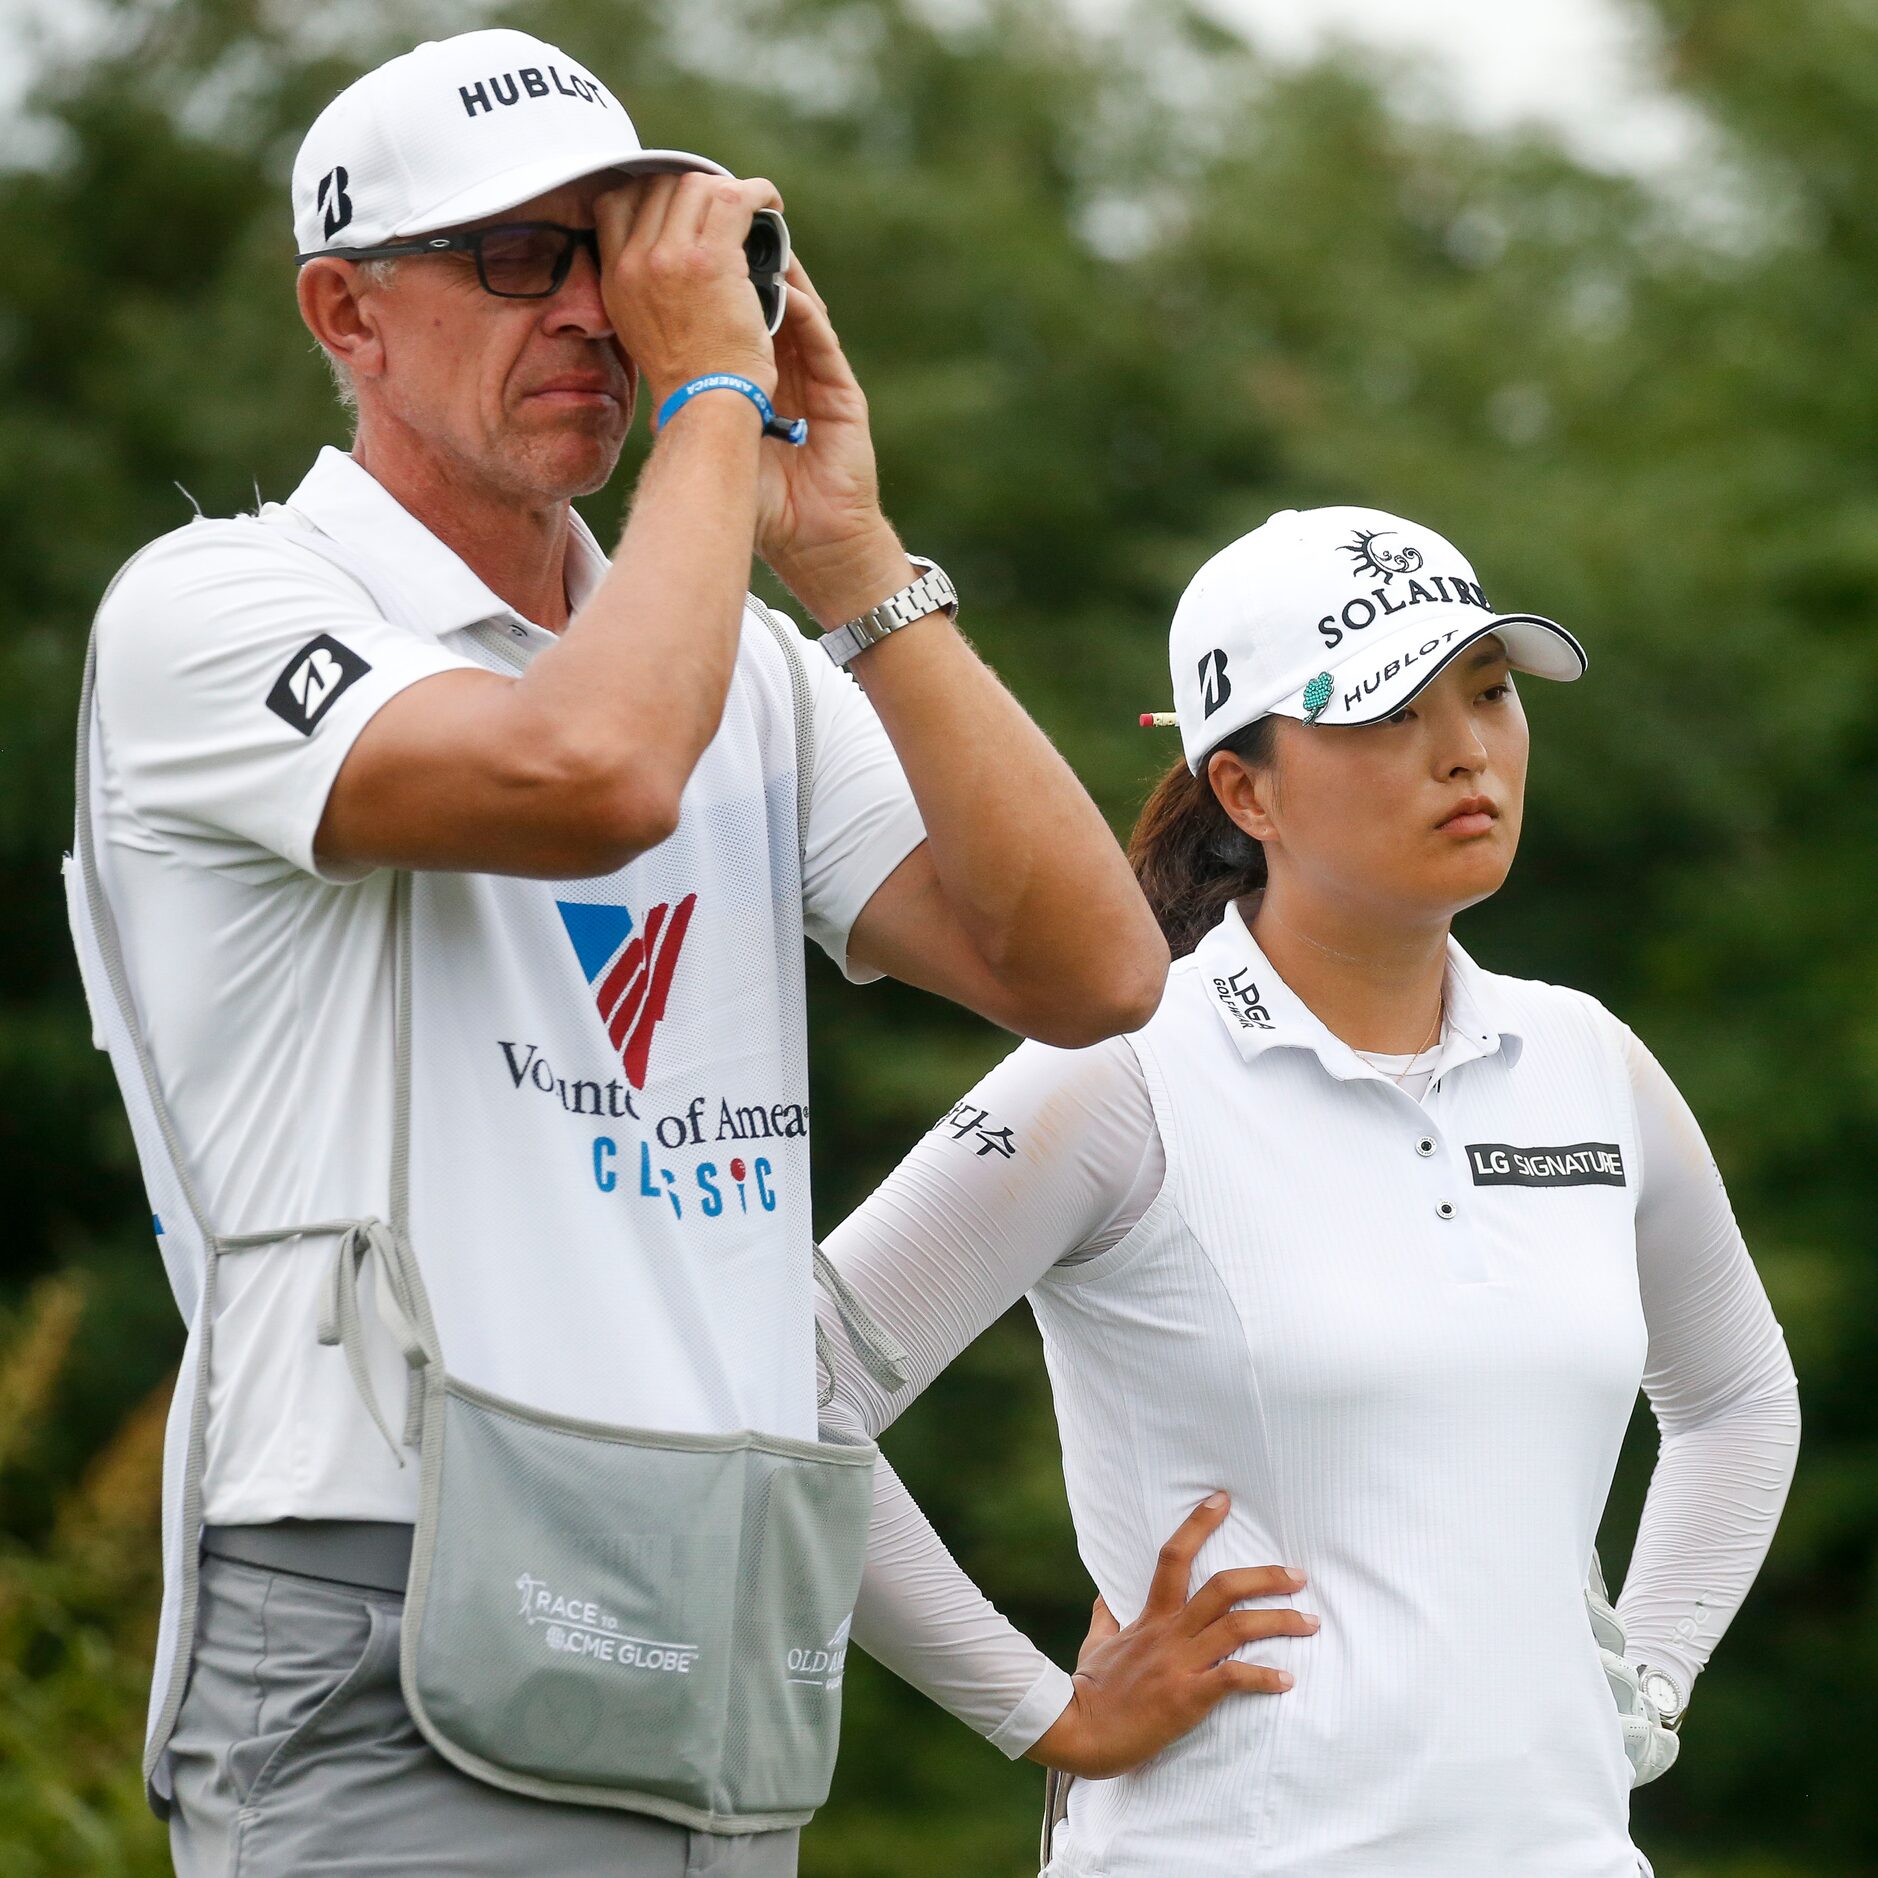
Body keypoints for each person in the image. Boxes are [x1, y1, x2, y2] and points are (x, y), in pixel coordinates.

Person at [63, 26, 1186, 1878]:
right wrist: (710, 419)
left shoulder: (739, 662)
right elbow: (586, 774)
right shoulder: (219, 600)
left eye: (630, 254)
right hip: (380, 1576)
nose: (601, 312)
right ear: (345, 314)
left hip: (708, 1594)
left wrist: (847, 559)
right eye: (522, 257)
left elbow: (1089, 973)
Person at [817, 505, 1802, 1877]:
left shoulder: (1590, 1060)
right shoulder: (1115, 1072)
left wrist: (1654, 1675)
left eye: (1490, 692)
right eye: (1389, 709)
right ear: (1244, 789)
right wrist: (1040, 1709)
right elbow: (790, 1387)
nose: (1465, 748)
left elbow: (1736, 1395)